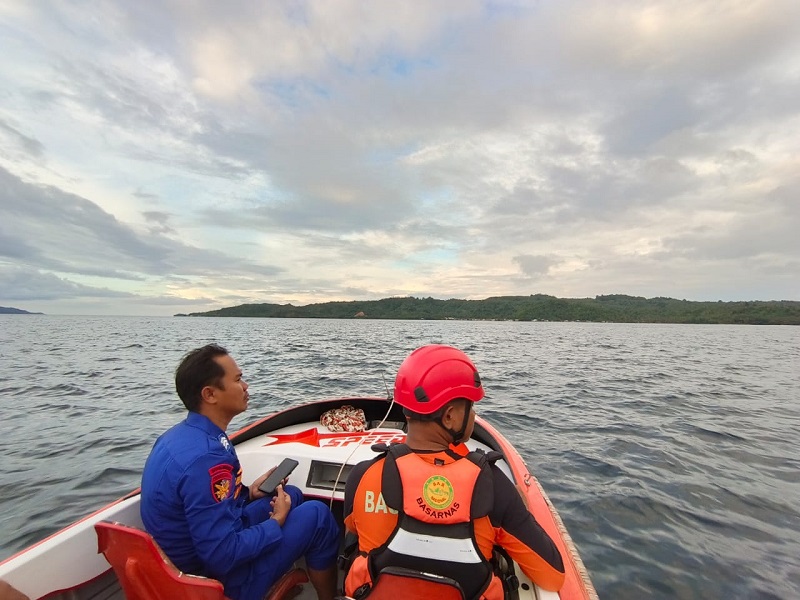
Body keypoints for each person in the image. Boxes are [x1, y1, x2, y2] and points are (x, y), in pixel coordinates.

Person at [343, 345, 565, 600]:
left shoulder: (362, 476)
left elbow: (354, 531)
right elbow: (552, 574)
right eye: (470, 407)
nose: (474, 414)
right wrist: (521, 510)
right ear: (449, 417)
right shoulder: (494, 486)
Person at [141, 344, 340, 600]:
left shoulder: (177, 437)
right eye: (237, 380)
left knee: (290, 493)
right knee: (318, 514)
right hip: (217, 581)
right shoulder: (208, 459)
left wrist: (248, 494)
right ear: (210, 394)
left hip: (186, 562)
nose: (245, 386)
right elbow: (222, 556)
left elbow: (202, 507)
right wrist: (274, 523)